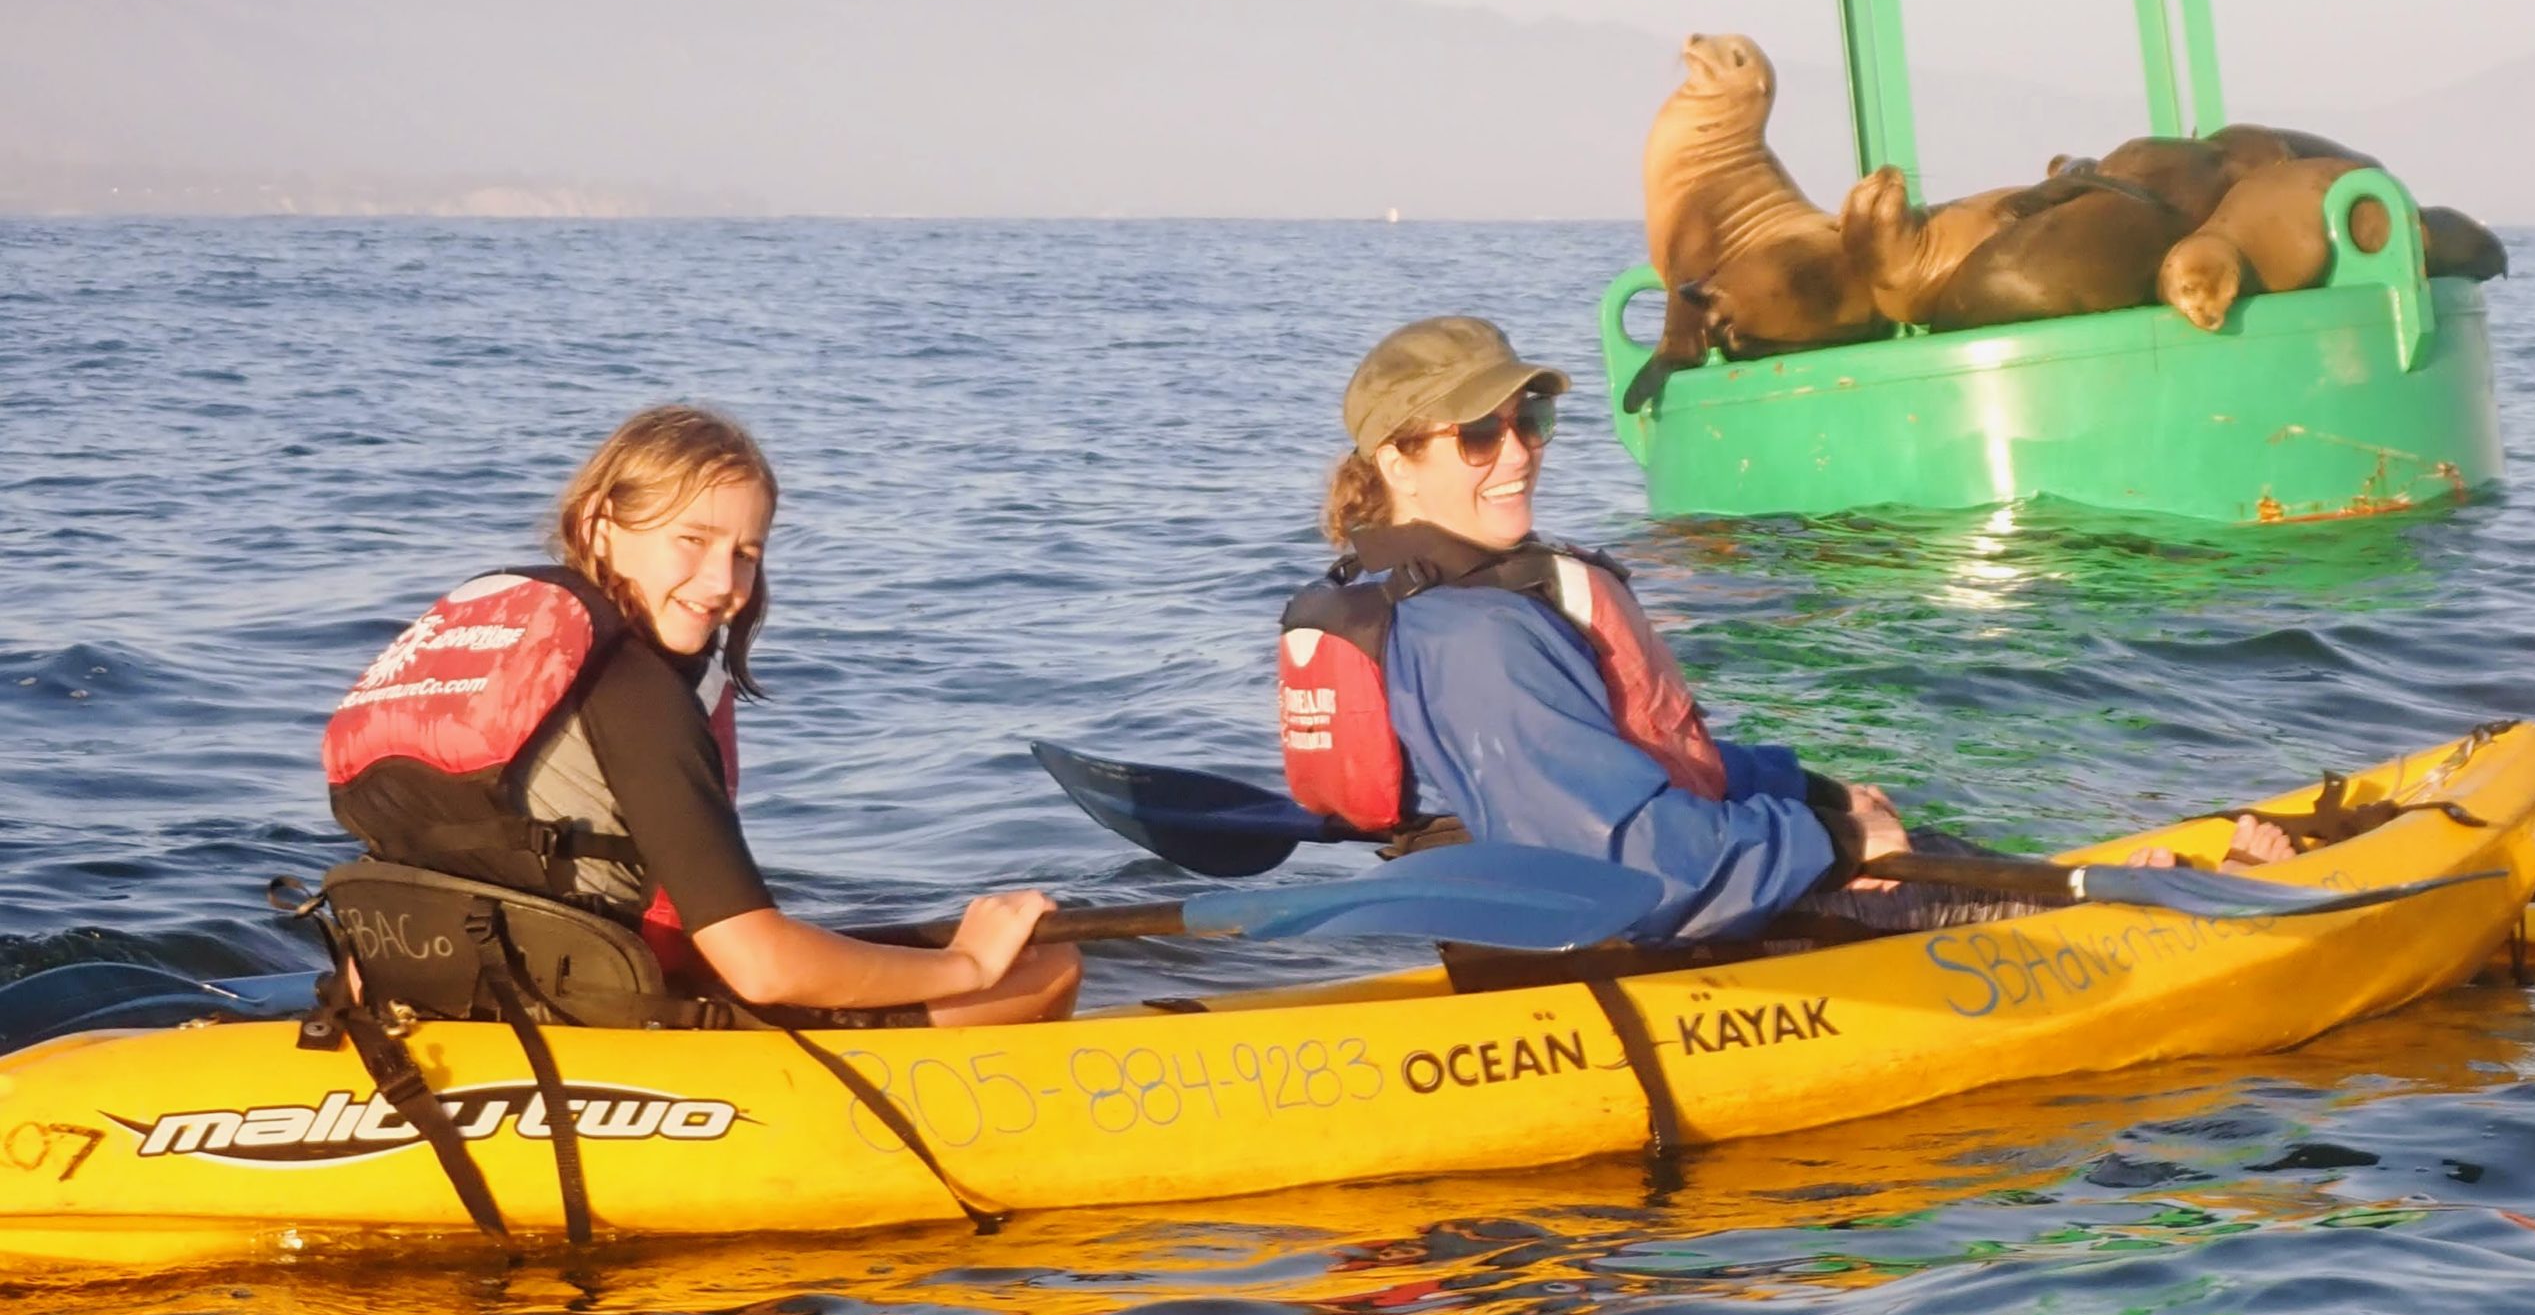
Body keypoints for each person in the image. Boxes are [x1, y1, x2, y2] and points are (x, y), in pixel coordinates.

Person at [1276, 317, 2289, 944]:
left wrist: (1803, 792)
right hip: (1668, 934)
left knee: (1929, 852)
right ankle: (2208, 913)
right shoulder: (1477, 639)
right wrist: (1835, 841)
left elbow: (1634, 775)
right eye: (1480, 433)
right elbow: (1635, 863)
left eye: (1528, 420)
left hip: (1583, 921)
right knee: (2004, 907)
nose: (1519, 454)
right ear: (1399, 460)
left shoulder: (1436, 606)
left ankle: (2144, 891)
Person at [324, 403, 1079, 1026]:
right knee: (1043, 971)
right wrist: (966, 962)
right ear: (597, 526)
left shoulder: (488, 645)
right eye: (693, 540)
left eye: (746, 553)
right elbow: (759, 966)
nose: (723, 583)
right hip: (593, 1024)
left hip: (422, 994)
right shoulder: (637, 691)